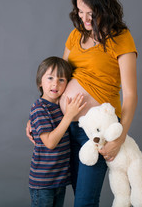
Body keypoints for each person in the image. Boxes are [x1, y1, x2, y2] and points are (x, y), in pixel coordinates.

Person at [27, 0, 138, 206]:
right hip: (65, 128)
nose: (84, 19)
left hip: (96, 132)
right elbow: (58, 80)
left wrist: (120, 136)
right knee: (76, 195)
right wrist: (36, 118)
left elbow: (130, 93)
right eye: (80, 11)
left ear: (105, 9)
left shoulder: (121, 38)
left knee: (85, 201)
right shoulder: (75, 35)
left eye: (91, 13)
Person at [28, 56, 86, 207]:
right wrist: (69, 116)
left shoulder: (60, 107)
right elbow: (50, 143)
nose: (55, 83)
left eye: (61, 79)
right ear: (40, 82)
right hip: (43, 183)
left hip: (58, 181)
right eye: (50, 78)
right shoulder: (39, 108)